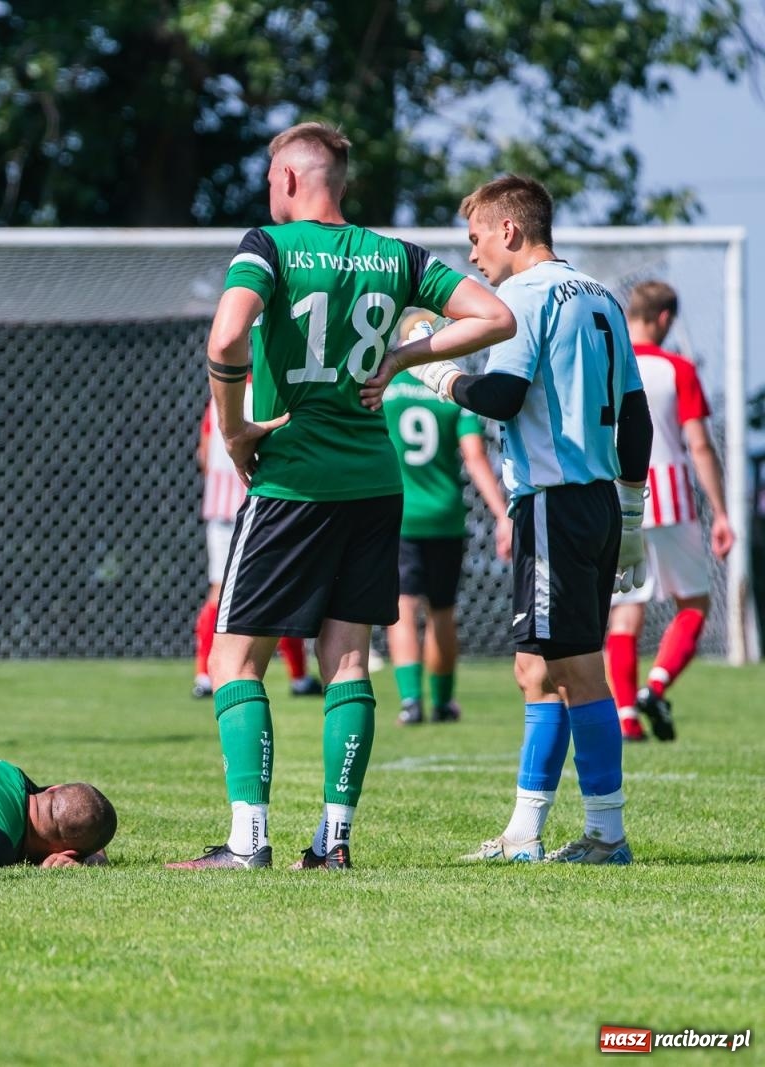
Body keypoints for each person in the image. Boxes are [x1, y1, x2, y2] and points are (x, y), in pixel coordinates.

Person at [167, 122, 516, 873]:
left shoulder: (268, 245)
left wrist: (235, 430)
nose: (268, 191)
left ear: (290, 180)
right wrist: (401, 355)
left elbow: (225, 341)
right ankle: (333, 841)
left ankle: (246, 841)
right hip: (373, 482)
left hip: (291, 478)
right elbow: (494, 316)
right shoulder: (396, 256)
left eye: (270, 179)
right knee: (348, 659)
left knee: (234, 661)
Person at [365, 174, 653, 865]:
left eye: (474, 240)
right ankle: (524, 832)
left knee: (578, 670)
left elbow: (502, 394)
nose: (471, 258)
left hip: (555, 499)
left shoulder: (520, 296)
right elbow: (635, 417)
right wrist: (633, 513)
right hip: (595, 502)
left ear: (509, 231)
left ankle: (607, 833)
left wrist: (436, 375)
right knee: (533, 668)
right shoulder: (603, 297)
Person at [604, 281, 733, 742]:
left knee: (624, 614)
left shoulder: (610, 363)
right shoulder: (677, 368)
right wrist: (720, 512)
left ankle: (625, 717)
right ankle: (655, 687)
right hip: (672, 500)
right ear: (664, 319)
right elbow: (698, 443)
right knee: (694, 603)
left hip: (619, 499)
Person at [381, 311, 512, 725]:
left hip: (397, 514)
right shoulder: (451, 390)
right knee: (441, 610)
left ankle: (409, 702)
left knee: (402, 608)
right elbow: (475, 457)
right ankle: (442, 702)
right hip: (445, 515)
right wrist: (501, 513)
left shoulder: (384, 386)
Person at [193, 397, 321, 700]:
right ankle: (299, 676)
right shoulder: (274, 393)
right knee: (284, 588)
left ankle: (204, 675)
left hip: (223, 509)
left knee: (219, 591)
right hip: (268, 505)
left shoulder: (220, 398)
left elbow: (204, 452)